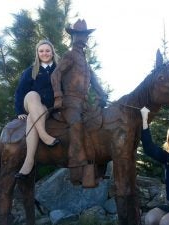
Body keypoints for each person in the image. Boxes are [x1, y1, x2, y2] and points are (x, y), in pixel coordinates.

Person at [51, 19, 107, 184]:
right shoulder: (69, 55)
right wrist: (58, 96)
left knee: (97, 126)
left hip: (83, 103)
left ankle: (96, 167)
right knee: (76, 126)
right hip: (70, 101)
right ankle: (76, 171)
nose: (83, 38)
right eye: (79, 35)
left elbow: (95, 82)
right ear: (73, 36)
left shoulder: (85, 61)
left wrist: (103, 94)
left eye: (85, 35)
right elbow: (55, 75)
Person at [14, 39, 60, 179]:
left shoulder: (59, 69)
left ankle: (29, 161)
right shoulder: (31, 71)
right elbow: (20, 92)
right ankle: (44, 136)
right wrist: (20, 111)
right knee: (32, 94)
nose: (44, 53)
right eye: (41, 51)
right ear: (37, 53)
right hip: (33, 103)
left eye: (47, 50)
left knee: (31, 119)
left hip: (50, 108)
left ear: (52, 52)